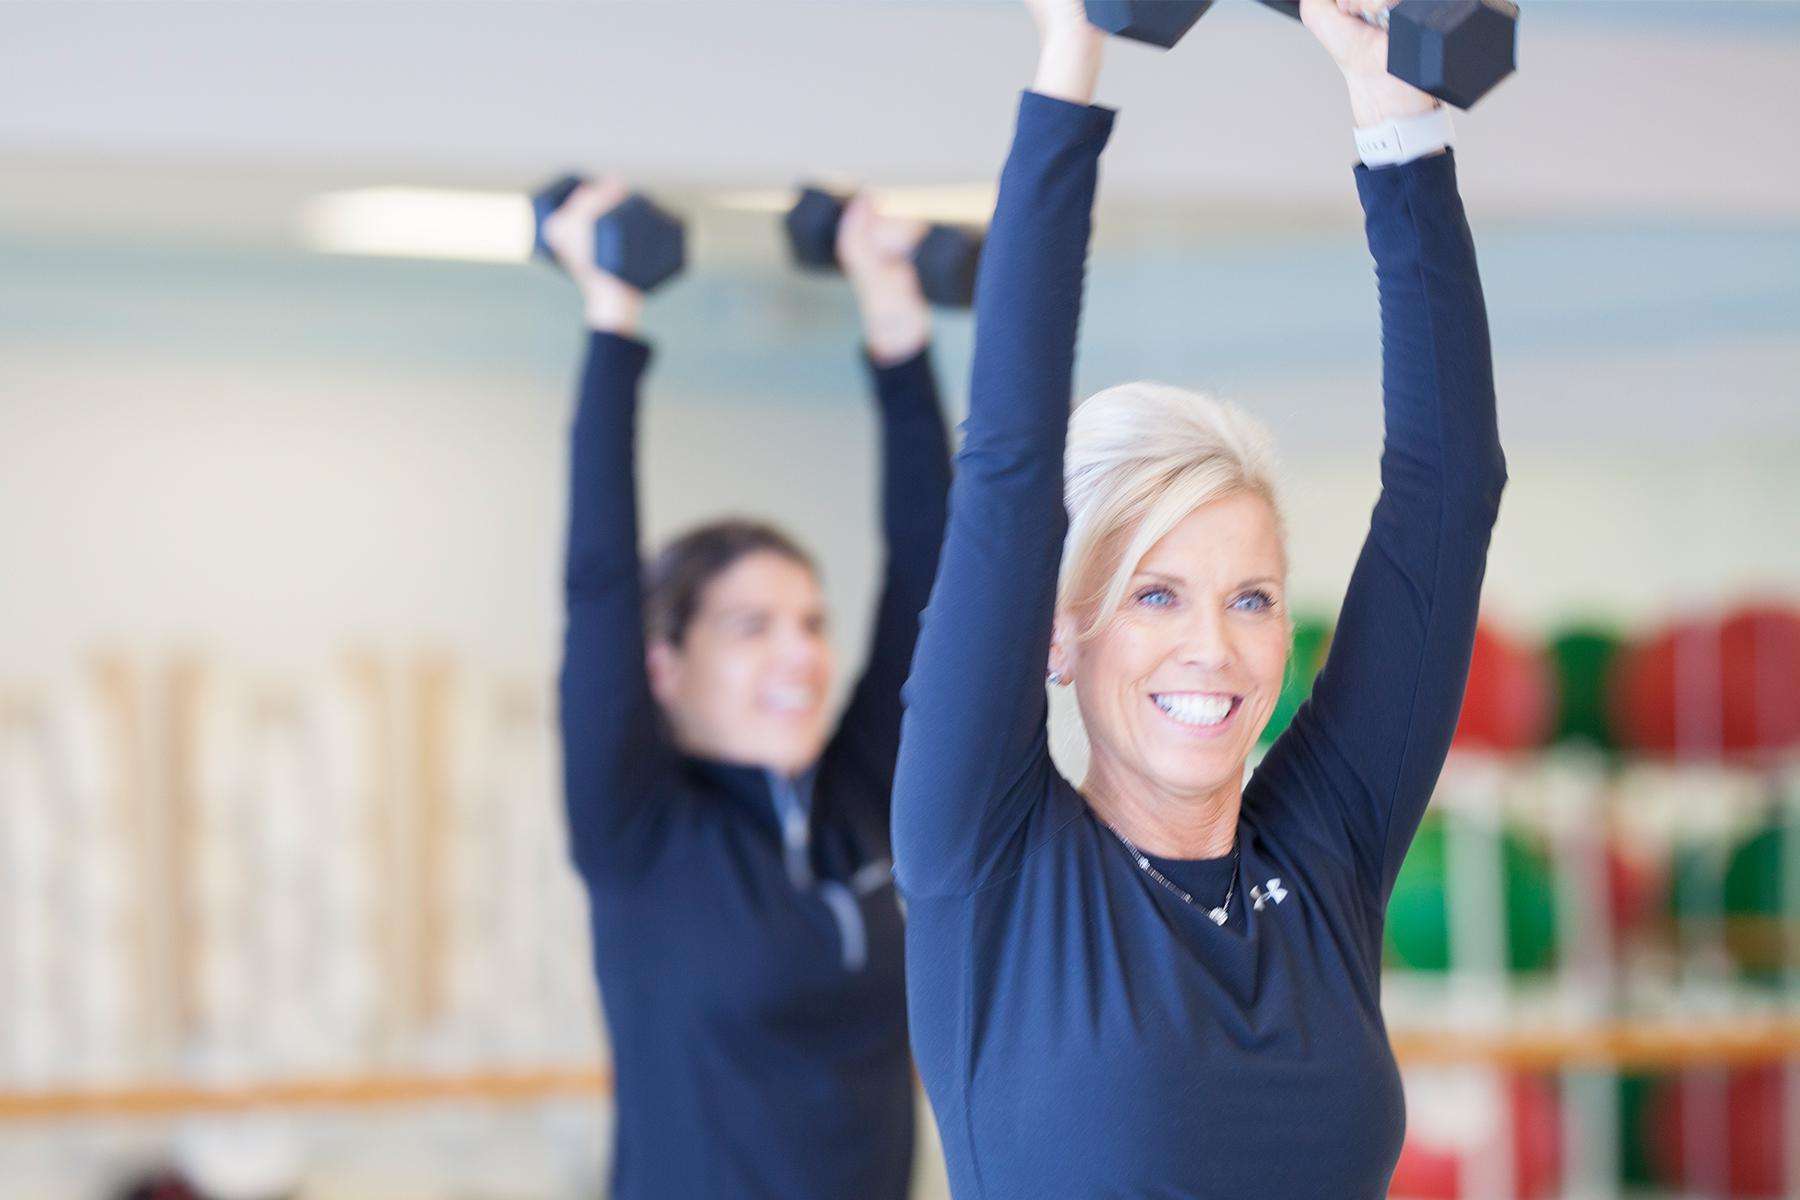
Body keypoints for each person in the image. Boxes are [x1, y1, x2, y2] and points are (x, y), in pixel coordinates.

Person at [891, 0, 1507, 1194]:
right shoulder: (986, 854)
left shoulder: (1327, 848)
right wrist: (1070, 64)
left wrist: (1398, 125)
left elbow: (1449, 495)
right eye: (1157, 596)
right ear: (1062, 635)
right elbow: (1008, 470)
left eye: (1253, 600)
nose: (1215, 651)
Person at [546, 177, 951, 1200]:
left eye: (812, 624)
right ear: (663, 666)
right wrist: (612, 316)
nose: (801, 656)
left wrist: (893, 312)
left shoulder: (859, 802)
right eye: (750, 627)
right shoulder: (638, 830)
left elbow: (930, 574)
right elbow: (598, 586)